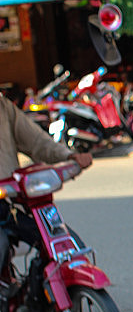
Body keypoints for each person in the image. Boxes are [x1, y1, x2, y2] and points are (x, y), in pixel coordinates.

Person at [0, 94, 92, 293]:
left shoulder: (3, 107)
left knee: (67, 245)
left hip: (11, 203)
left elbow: (37, 141)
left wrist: (69, 155)